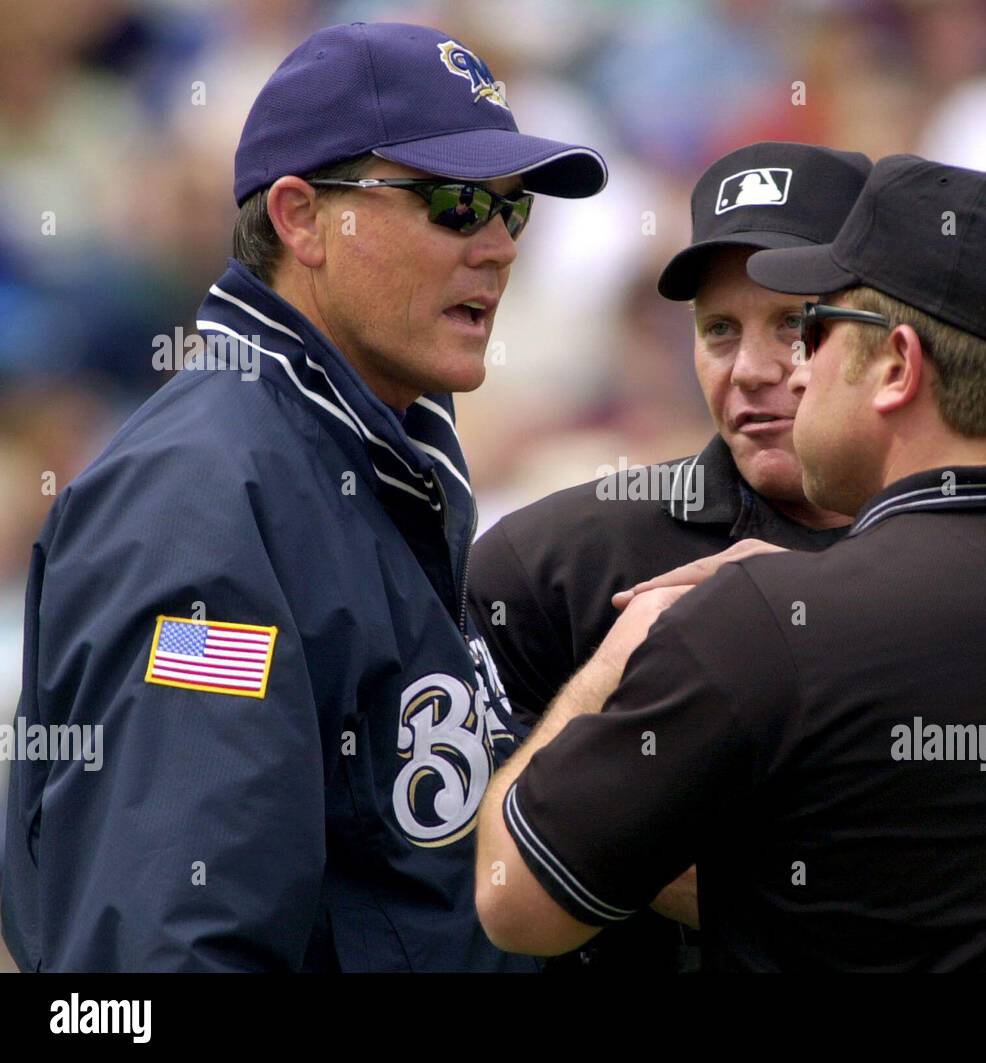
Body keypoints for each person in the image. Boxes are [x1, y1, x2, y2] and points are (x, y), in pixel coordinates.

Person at [473, 155, 986, 971]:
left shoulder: (759, 620)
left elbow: (515, 900)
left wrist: (626, 653)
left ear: (897, 364)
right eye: (720, 327)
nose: (790, 367)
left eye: (812, 329)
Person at [1, 22, 606, 972]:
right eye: (453, 202)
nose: (497, 246)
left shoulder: (368, 449)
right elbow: (166, 958)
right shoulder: (196, 499)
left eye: (511, 209)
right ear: (300, 217)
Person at [468, 141, 871, 970]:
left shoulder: (979, 560)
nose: (752, 370)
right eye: (719, 329)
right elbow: (461, 862)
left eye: (795, 325)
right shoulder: (554, 564)